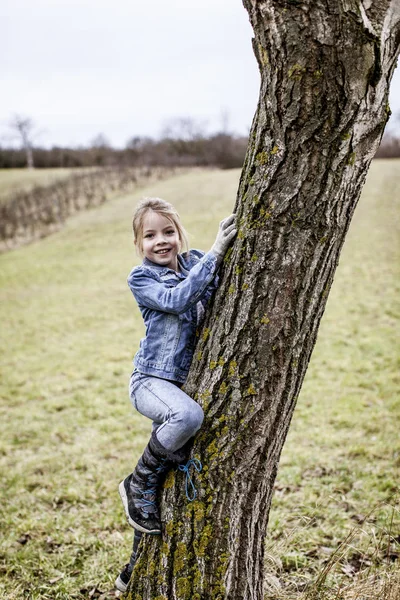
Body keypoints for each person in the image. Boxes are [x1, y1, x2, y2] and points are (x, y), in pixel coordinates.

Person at [115, 197, 236, 592]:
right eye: (150, 235)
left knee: (161, 498)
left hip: (179, 387)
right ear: (139, 243)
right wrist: (217, 251)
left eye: (168, 231)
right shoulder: (143, 279)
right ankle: (137, 481)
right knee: (187, 419)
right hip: (152, 381)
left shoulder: (194, 261)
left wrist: (215, 255)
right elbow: (178, 299)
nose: (161, 241)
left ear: (179, 232)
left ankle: (132, 569)